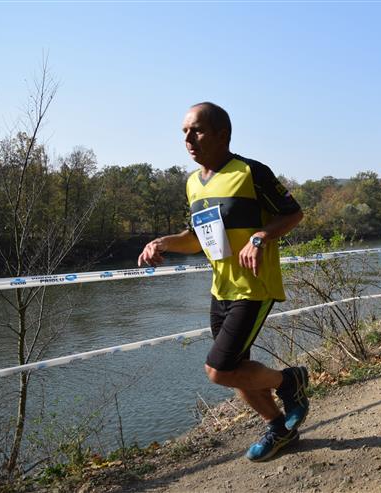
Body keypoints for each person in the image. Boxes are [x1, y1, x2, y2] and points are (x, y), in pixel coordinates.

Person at [138, 102, 307, 462]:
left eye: (196, 130)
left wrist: (260, 236)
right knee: (236, 372)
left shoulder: (251, 172)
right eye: (184, 132)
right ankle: (279, 429)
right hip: (221, 289)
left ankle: (290, 381)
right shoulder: (192, 184)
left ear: (222, 134)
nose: (188, 138)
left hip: (254, 287)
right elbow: (196, 240)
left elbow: (294, 214)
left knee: (219, 370)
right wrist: (162, 242)